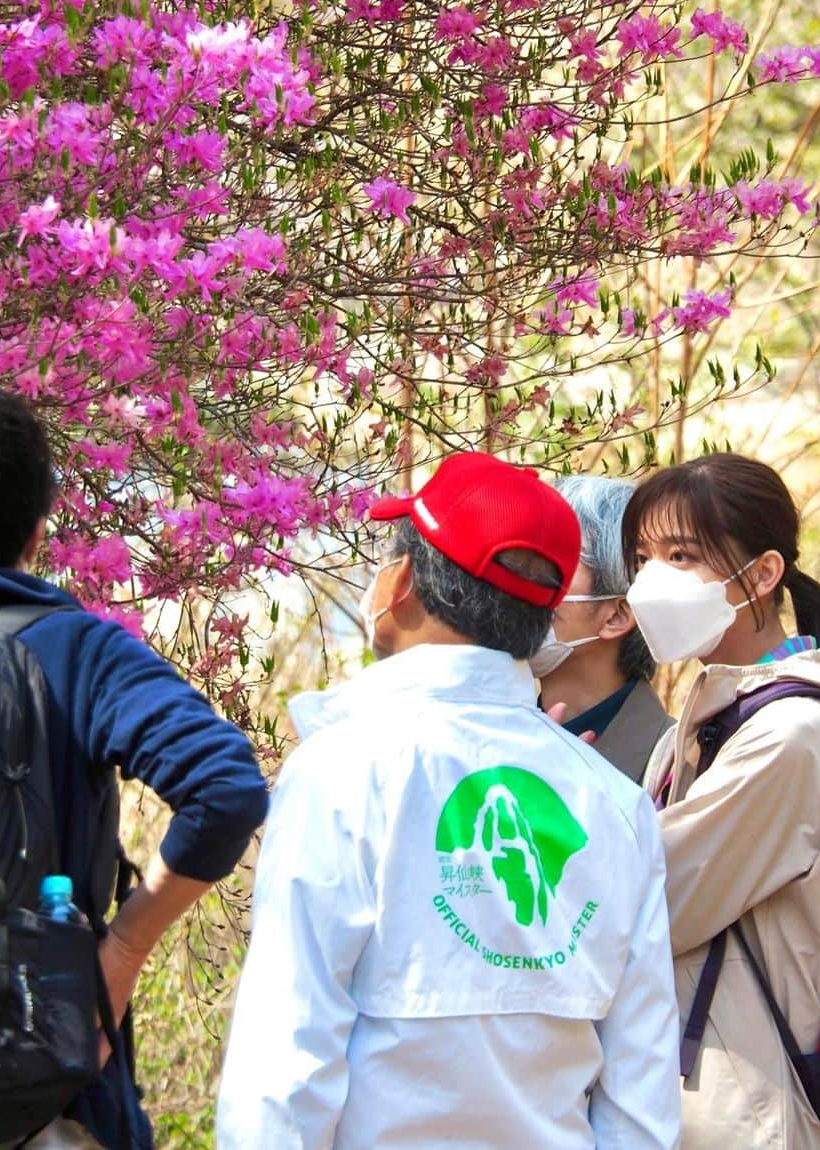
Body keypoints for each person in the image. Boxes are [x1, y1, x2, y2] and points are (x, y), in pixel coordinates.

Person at [217, 450, 680, 1149]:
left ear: (401, 582)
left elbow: (286, 1055)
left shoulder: (345, 768)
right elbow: (641, 1091)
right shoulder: (614, 803)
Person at [0, 378, 269, 1148]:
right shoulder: (70, 648)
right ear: (38, 529)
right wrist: (122, 952)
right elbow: (225, 785)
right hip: (45, 1095)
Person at [621, 452, 820, 1148]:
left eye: (682, 555)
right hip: (705, 1108)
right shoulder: (721, 714)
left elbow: (648, 901)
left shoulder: (789, 735)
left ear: (763, 574)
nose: (650, 582)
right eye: (643, 556)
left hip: (748, 1118)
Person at [536, 475, 673, 786]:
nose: (519, 586)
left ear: (618, 615)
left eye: (549, 567)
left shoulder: (678, 771)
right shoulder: (491, 742)